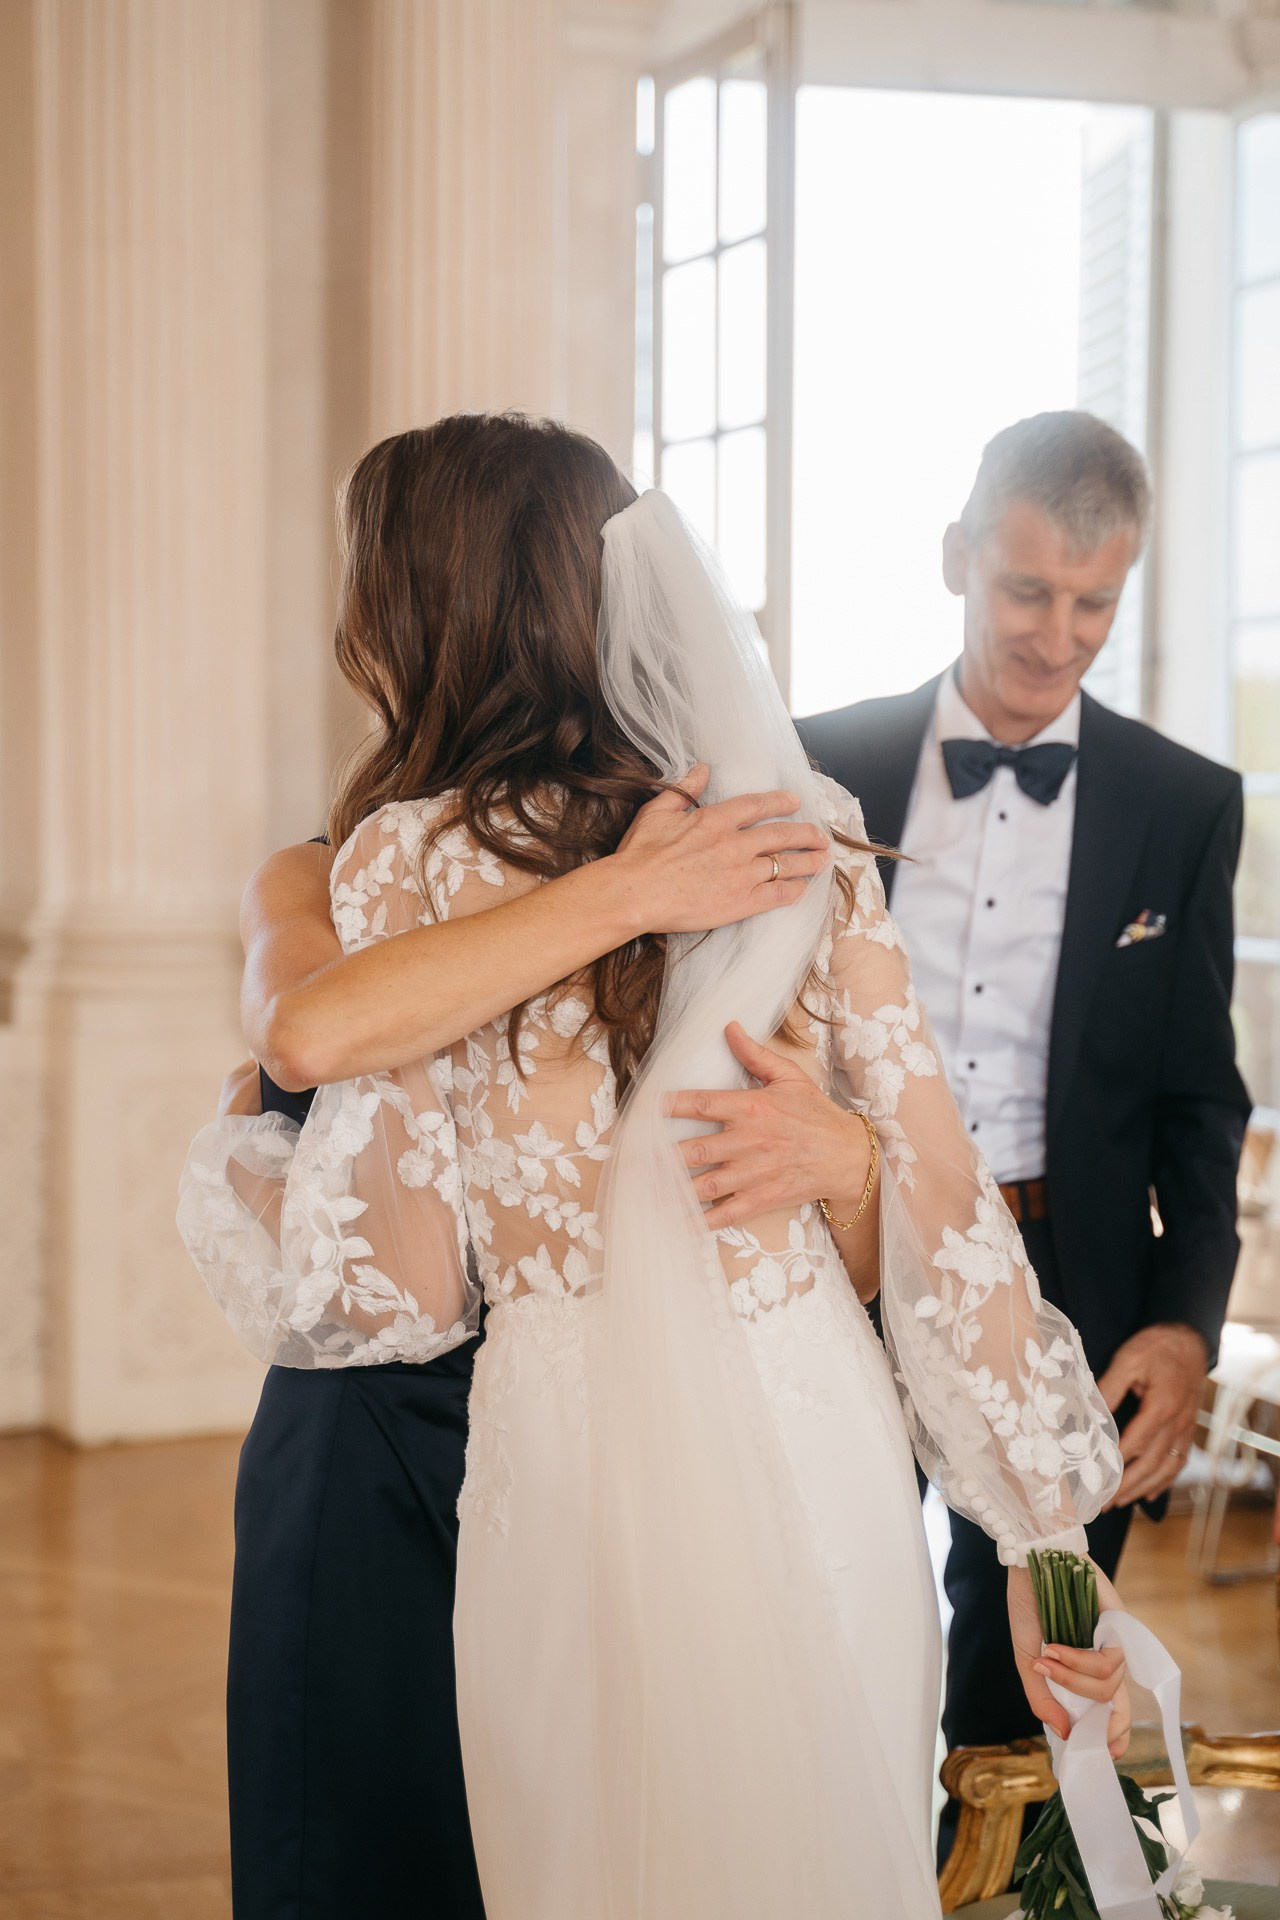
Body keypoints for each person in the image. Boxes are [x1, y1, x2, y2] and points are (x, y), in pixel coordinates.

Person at [181, 413, 1130, 1919]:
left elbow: (400, 1294)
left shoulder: (408, 866)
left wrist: (246, 1142)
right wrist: (1043, 1541)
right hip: (808, 1438)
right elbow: (947, 1198)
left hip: (561, 1471)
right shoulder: (798, 828)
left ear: (424, 606)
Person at [203, 780, 831, 1920]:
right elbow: (301, 1033)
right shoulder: (319, 873)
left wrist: (851, 1152)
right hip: (373, 1451)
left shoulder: (706, 868)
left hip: (593, 1436)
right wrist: (625, 892)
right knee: (356, 1856)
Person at [797, 412, 1250, 1789]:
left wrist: (1184, 1325)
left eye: (1095, 603)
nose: (1058, 636)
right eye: (1027, 590)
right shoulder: (816, 764)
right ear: (958, 559)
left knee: (1037, 1684)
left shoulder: (1185, 805)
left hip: (1071, 1289)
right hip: (847, 1255)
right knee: (834, 1625)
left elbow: (1199, 1103)